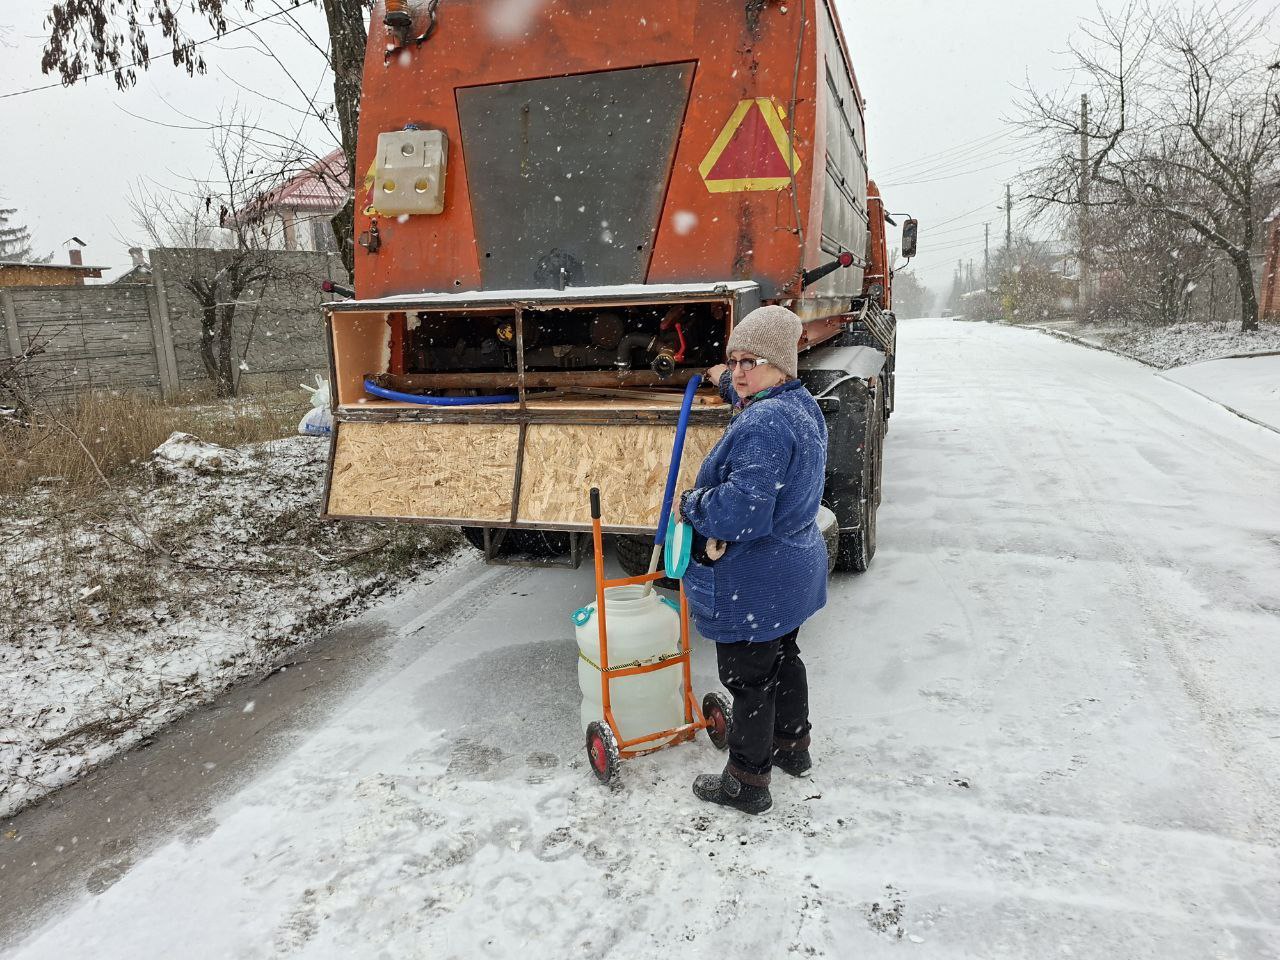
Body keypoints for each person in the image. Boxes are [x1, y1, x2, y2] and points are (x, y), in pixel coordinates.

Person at [678, 304, 829, 815]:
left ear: (780, 365)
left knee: (749, 681)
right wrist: (723, 378)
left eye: (751, 362)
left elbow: (742, 510)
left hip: (756, 580)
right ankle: (792, 747)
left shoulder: (764, 422)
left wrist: (692, 504)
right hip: (791, 570)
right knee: (784, 657)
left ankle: (746, 783)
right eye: (734, 360)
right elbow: (752, 398)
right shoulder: (797, 404)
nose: (740, 372)